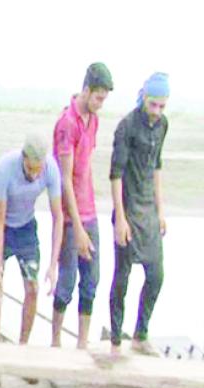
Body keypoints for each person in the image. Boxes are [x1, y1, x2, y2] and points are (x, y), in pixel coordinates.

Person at [0, 135, 63, 387]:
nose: (34, 174)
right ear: (23, 159)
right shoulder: (5, 169)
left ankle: (22, 350)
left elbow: (58, 217)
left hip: (26, 226)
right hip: (1, 225)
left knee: (32, 287)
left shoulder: (50, 169)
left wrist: (53, 264)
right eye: (30, 169)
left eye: (38, 170)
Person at [51, 63, 113, 349]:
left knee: (92, 280)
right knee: (66, 282)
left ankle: (83, 344)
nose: (100, 104)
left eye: (104, 99)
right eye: (98, 97)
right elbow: (65, 178)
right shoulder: (68, 123)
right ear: (86, 90)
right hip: (69, 215)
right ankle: (56, 341)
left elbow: (86, 168)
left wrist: (92, 212)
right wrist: (76, 226)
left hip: (89, 211)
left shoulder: (94, 120)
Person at [109, 73, 170, 356]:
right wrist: (120, 219)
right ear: (144, 99)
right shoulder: (127, 127)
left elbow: (157, 168)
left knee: (156, 274)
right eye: (153, 105)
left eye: (161, 106)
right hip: (128, 209)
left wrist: (161, 211)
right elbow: (116, 175)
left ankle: (140, 334)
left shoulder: (162, 126)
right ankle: (115, 342)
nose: (157, 112)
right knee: (122, 277)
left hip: (148, 210)